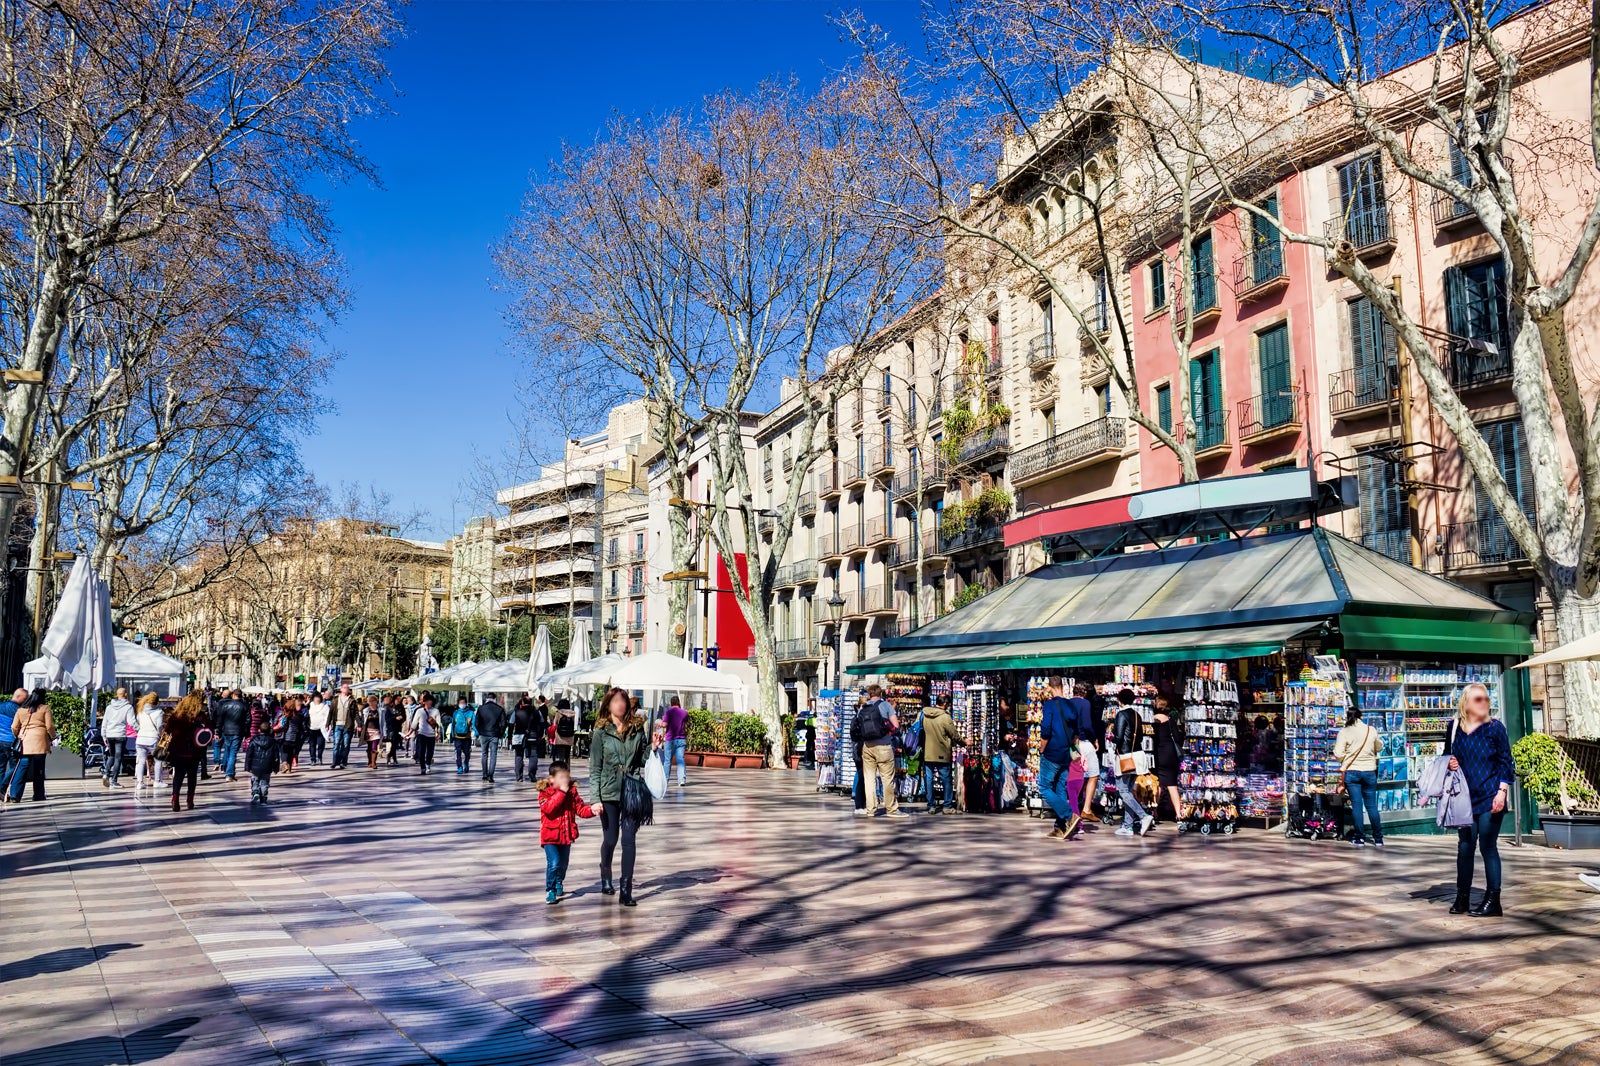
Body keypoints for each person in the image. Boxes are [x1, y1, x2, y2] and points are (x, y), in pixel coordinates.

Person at [1446, 682, 1515, 917]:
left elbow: (1506, 762)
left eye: (1486, 698)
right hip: (1464, 798)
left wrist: (1502, 792)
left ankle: (1493, 900)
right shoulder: (1454, 727)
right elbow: (1449, 755)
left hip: (1490, 795)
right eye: (1478, 699)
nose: (1484, 702)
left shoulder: (1495, 728)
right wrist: (1451, 762)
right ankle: (1462, 897)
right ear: (1466, 703)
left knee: (1487, 847)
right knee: (1465, 848)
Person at [590, 686, 649, 906]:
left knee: (629, 840)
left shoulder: (636, 729)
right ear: (608, 705)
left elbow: (643, 759)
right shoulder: (600, 732)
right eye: (615, 701)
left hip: (632, 789)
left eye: (623, 701)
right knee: (611, 839)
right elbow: (594, 768)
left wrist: (655, 746)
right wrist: (595, 799)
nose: (620, 704)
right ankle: (606, 874)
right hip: (609, 791)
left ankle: (626, 889)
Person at [539, 761, 596, 905]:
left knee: (563, 864)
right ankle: (550, 889)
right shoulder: (545, 792)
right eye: (561, 777)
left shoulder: (572, 792)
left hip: (566, 835)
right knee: (554, 862)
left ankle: (559, 881)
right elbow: (549, 809)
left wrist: (593, 810)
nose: (566, 781)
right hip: (550, 837)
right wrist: (561, 792)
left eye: (567, 777)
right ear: (552, 779)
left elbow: (580, 809)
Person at [1037, 679, 1081, 839]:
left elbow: (1046, 729)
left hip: (1052, 752)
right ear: (1062, 687)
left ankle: (1069, 815)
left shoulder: (1049, 705)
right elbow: (1077, 731)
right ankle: (1060, 827)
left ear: (1050, 687)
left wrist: (1042, 748)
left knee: (1044, 787)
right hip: (1066, 753)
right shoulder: (1071, 705)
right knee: (1060, 788)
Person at [1334, 707, 1384, 847]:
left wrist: (1346, 757)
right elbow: (1379, 747)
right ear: (1360, 716)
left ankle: (1359, 838)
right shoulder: (1371, 729)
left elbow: (1338, 754)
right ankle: (1378, 838)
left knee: (1357, 805)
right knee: (1372, 806)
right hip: (1369, 771)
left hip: (1352, 772)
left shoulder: (1344, 732)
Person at [1109, 688, 1155, 837]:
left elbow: (1119, 737)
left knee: (1122, 791)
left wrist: (1111, 737)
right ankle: (1127, 826)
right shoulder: (1137, 715)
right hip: (1138, 756)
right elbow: (1140, 737)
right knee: (1128, 792)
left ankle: (1143, 816)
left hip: (1125, 757)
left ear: (1119, 699)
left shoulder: (1121, 714)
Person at [852, 684, 903, 818]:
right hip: (883, 746)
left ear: (869, 694)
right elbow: (896, 726)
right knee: (887, 779)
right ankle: (891, 809)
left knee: (869, 780)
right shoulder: (886, 706)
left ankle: (870, 809)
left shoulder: (863, 707)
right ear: (881, 693)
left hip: (867, 747)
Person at [160, 692, 211, 812]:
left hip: (178, 750)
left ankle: (175, 799)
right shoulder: (200, 716)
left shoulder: (177, 714)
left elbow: (167, 730)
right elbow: (207, 731)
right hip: (194, 750)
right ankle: (190, 800)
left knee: (178, 775)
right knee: (192, 776)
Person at [4, 690, 54, 804]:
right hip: (40, 741)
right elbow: (49, 726)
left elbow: (14, 727)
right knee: (39, 769)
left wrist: (18, 735)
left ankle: (15, 795)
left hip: (25, 741)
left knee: (22, 768)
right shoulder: (45, 708)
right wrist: (53, 736)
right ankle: (39, 795)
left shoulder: (21, 710)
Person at [920, 694, 961, 814]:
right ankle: (947, 806)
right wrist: (964, 742)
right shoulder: (945, 717)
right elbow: (954, 735)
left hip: (927, 752)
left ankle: (931, 805)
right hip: (942, 752)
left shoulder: (924, 714)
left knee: (929, 779)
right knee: (946, 779)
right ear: (945, 704)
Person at [1067, 683, 1102, 822]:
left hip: (1072, 745)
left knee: (1075, 775)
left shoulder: (1067, 703)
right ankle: (1086, 809)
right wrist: (1094, 739)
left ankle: (1074, 808)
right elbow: (1087, 725)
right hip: (1084, 742)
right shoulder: (1085, 703)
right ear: (1085, 693)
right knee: (1093, 774)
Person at [1151, 693, 1185, 824]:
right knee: (1172, 785)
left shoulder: (1153, 720)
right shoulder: (1170, 720)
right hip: (1171, 754)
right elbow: (1177, 737)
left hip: (1159, 753)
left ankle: (1153, 812)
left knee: (1158, 784)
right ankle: (1179, 813)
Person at [245, 700, 281, 805]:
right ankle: (263, 798)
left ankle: (255, 791)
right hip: (267, 767)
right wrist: (276, 767)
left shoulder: (254, 741)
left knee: (255, 779)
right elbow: (276, 756)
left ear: (259, 730)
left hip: (255, 766)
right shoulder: (273, 742)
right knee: (265, 782)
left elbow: (249, 754)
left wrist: (247, 765)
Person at [99, 687, 135, 789]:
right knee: (118, 758)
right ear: (126, 694)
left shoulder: (109, 707)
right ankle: (113, 781)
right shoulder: (128, 707)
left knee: (111, 755)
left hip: (110, 735)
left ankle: (106, 773)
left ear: (117, 694)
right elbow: (131, 722)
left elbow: (104, 722)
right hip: (120, 735)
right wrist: (139, 729)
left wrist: (103, 735)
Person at [212, 688, 249, 781]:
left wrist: (218, 731)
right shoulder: (244, 706)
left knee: (228, 750)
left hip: (227, 731)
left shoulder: (226, 705)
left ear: (233, 695)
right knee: (233, 752)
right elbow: (248, 721)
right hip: (237, 732)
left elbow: (220, 720)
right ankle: (229, 773)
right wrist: (246, 732)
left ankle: (226, 769)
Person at [133, 693, 164, 788]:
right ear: (156, 702)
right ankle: (157, 781)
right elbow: (159, 726)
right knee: (158, 760)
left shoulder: (140, 711)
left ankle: (140, 783)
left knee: (141, 761)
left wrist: (140, 731)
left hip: (140, 739)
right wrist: (161, 734)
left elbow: (137, 723)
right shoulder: (159, 712)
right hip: (153, 739)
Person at [476, 693, 507, 782]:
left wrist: (480, 732)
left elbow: (476, 723)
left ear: (487, 698)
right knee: (493, 755)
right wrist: (500, 733)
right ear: (494, 699)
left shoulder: (481, 708)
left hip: (483, 734)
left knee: (484, 754)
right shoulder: (500, 709)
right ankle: (491, 775)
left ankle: (484, 774)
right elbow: (504, 723)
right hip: (494, 734)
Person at [407, 694, 440, 775]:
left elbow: (438, 723)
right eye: (427, 700)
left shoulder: (436, 711)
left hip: (431, 735)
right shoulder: (419, 711)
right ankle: (423, 767)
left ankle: (428, 764)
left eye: (431, 700)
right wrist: (409, 733)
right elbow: (414, 723)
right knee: (421, 752)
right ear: (424, 702)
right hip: (421, 734)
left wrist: (438, 733)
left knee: (430, 752)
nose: (429, 702)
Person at [511, 697, 541, 783]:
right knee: (533, 755)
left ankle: (519, 776)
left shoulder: (516, 712)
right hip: (533, 735)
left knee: (519, 755)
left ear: (522, 702)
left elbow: (511, 723)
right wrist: (539, 734)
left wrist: (509, 736)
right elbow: (542, 723)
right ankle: (532, 775)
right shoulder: (536, 712)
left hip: (519, 736)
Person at [661, 696, 689, 788]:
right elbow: (686, 721)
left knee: (667, 760)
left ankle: (665, 780)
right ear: (678, 702)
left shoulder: (668, 712)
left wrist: (660, 723)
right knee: (680, 760)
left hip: (670, 739)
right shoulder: (684, 712)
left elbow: (664, 724)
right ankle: (681, 780)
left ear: (671, 703)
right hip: (681, 739)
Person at [331, 683, 357, 769]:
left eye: (348, 688)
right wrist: (327, 723)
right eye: (345, 688)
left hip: (347, 725)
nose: (346, 689)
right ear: (341, 689)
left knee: (346, 744)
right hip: (337, 724)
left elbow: (355, 713)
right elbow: (331, 712)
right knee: (336, 744)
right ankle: (335, 761)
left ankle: (343, 762)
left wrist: (359, 724)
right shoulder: (335, 700)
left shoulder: (352, 700)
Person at [0, 687, 21, 796]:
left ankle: (2, 791)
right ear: (19, 697)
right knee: (15, 767)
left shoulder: (1, 706)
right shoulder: (18, 710)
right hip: (10, 741)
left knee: (1, 767)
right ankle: (2, 787)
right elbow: (17, 727)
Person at [450, 697, 476, 774]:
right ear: (458, 704)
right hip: (457, 737)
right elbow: (453, 725)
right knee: (458, 752)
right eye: (460, 703)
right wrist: (452, 735)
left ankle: (466, 763)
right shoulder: (456, 713)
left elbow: (474, 724)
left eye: (463, 702)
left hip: (467, 737)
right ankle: (459, 767)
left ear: (466, 703)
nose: (462, 704)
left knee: (467, 752)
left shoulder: (471, 713)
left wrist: (476, 733)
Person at [550, 698, 576, 765]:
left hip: (560, 736)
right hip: (569, 736)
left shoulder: (558, 713)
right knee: (567, 756)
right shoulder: (573, 713)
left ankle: (561, 771)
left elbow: (554, 724)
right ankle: (567, 770)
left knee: (561, 756)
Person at [306, 691, 330, 766]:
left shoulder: (325, 706)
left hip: (321, 728)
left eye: (318, 698)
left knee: (320, 744)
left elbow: (327, 717)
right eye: (315, 698)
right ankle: (313, 759)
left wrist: (326, 724)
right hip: (311, 728)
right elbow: (306, 715)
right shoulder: (310, 705)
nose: (317, 699)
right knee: (312, 745)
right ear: (313, 698)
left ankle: (319, 757)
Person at [360, 695, 383, 769]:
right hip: (368, 730)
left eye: (374, 701)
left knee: (374, 746)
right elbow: (362, 720)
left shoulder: (381, 711)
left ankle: (374, 763)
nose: (372, 703)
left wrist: (384, 731)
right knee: (369, 747)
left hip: (377, 731)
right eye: (370, 701)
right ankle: (370, 761)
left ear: (376, 702)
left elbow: (383, 722)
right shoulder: (366, 710)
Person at [384, 696, 407, 766]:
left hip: (398, 727)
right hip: (391, 727)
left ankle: (391, 757)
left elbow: (404, 716)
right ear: (394, 700)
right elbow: (387, 719)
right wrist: (395, 718)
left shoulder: (401, 707)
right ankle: (391, 757)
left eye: (400, 700)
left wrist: (401, 718)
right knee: (393, 743)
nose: (398, 701)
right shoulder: (389, 708)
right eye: (397, 700)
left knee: (395, 743)